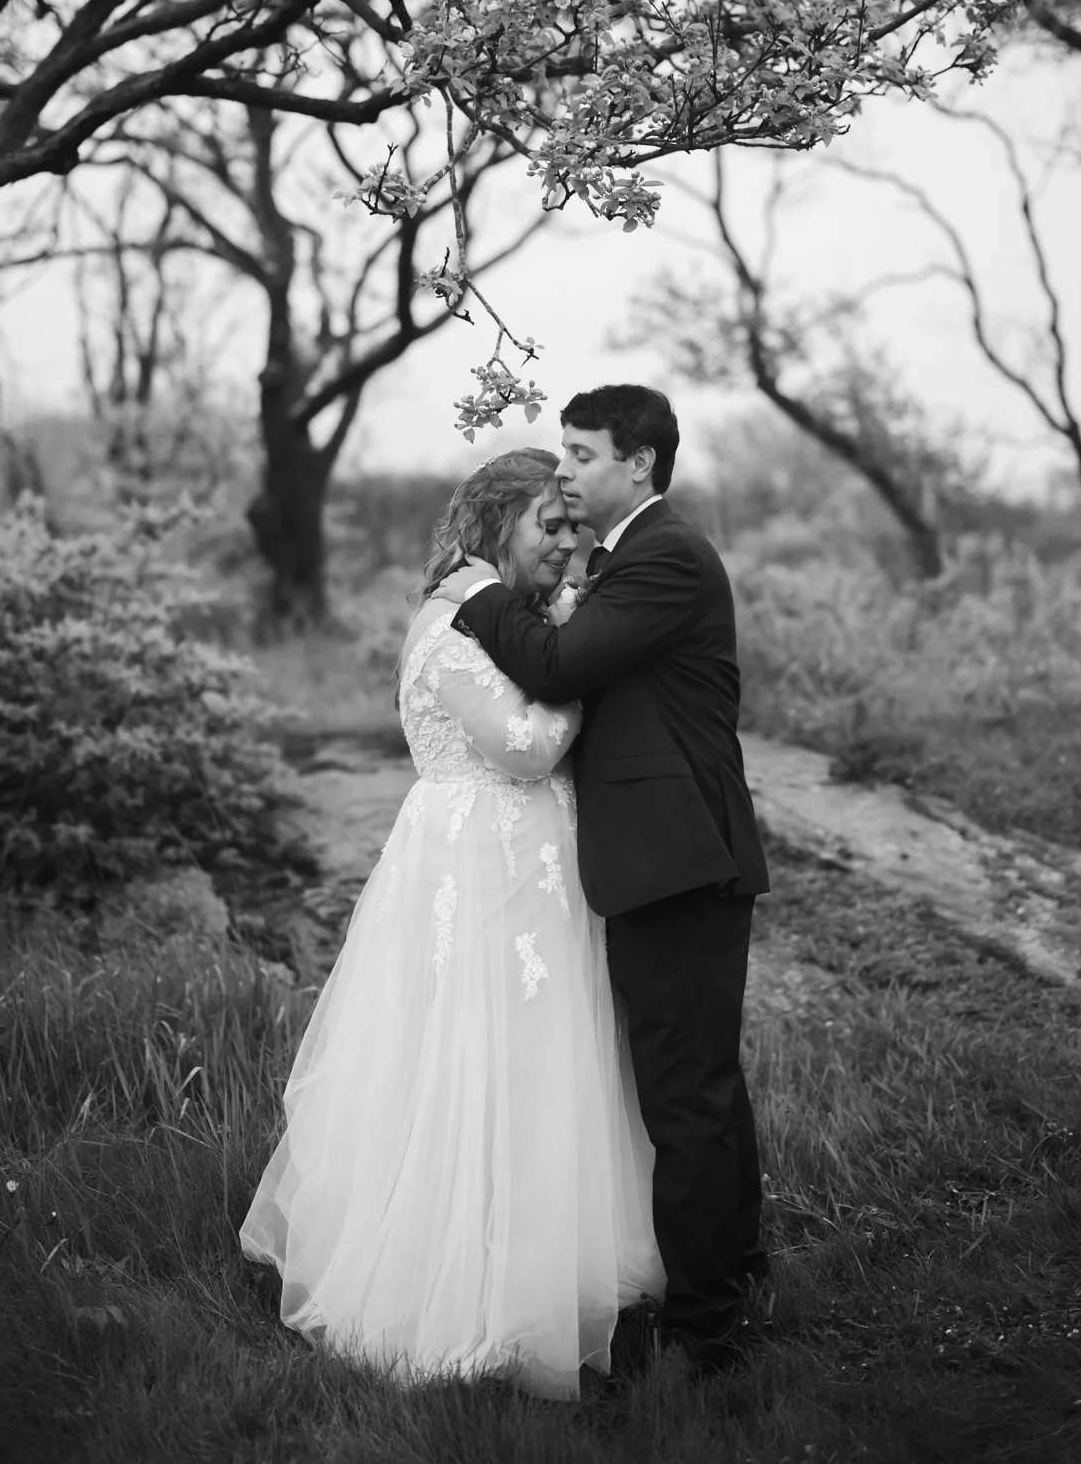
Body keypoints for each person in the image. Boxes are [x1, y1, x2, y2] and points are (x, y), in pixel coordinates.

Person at [240, 448, 666, 1401]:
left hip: (530, 871)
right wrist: (583, 672)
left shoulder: (510, 617)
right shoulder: (452, 627)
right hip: (477, 868)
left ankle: (549, 1268)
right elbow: (524, 746)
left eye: (571, 525)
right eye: (546, 526)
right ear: (491, 526)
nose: (566, 543)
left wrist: (561, 634)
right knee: (471, 1061)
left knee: (539, 1067)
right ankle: (459, 1295)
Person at [436, 385, 770, 1377]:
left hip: (678, 864)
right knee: (701, 1089)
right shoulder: (630, 557)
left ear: (640, 462)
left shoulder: (664, 553)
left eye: (581, 454)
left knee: (687, 1100)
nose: (566, 470)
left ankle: (706, 1331)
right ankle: (735, 1277)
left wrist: (475, 593)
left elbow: (561, 664)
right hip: (669, 861)